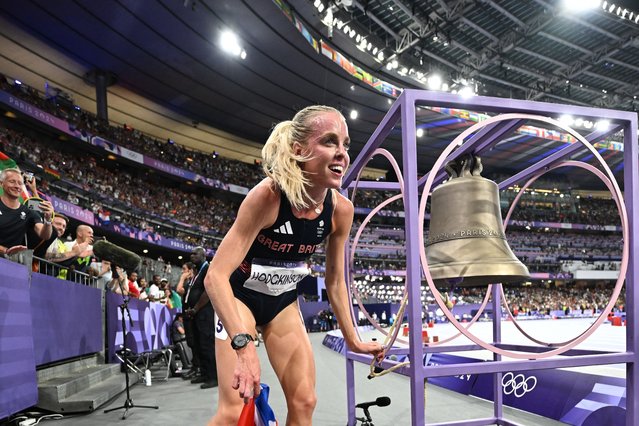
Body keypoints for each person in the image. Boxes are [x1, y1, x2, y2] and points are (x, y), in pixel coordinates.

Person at [204, 105, 382, 425]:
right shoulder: (268, 197)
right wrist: (243, 347)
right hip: (239, 298)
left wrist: (353, 338)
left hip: (282, 303)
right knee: (234, 411)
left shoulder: (341, 210)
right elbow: (215, 276)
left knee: (305, 401)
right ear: (299, 150)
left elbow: (336, 281)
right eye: (330, 141)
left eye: (345, 144)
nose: (342, 153)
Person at [0, 168, 54, 257]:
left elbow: (45, 235)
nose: (17, 186)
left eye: (20, 183)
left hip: (9, 264)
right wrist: (5, 250)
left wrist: (48, 220)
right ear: (1, 183)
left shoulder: (29, 212)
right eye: (12, 182)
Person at [185, 247, 217, 389]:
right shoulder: (197, 271)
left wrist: (196, 308)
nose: (192, 256)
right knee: (199, 344)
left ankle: (213, 377)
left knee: (206, 345)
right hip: (196, 314)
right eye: (191, 254)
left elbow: (208, 291)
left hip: (205, 313)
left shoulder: (207, 269)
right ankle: (204, 373)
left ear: (204, 256)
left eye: (195, 254)